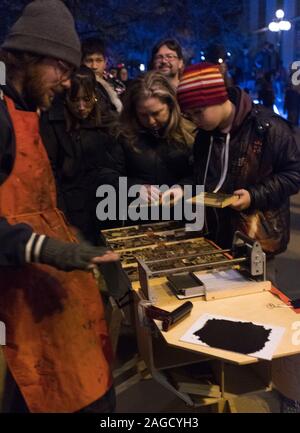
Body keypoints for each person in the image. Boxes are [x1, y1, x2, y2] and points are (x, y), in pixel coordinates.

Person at [0, 0, 130, 413]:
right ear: (33, 55)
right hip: (17, 298)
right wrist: (47, 248)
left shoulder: (24, 108)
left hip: (43, 289)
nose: (68, 83)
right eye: (62, 68)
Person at [177, 63, 300, 412]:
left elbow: (295, 173)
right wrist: (188, 196)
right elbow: (203, 178)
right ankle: (229, 374)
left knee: (263, 312)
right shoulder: (206, 134)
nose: (195, 119)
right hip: (216, 235)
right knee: (223, 310)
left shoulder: (268, 127)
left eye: (198, 111)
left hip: (259, 235)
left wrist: (255, 195)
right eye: (190, 113)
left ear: (218, 99)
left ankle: (276, 386)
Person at [102, 71, 195, 224]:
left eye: (156, 113)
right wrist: (135, 188)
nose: (151, 121)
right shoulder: (122, 135)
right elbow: (106, 175)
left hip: (180, 218)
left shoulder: (190, 133)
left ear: (170, 106)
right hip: (137, 219)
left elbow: (201, 174)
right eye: (143, 115)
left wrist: (183, 188)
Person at [40, 65, 118, 243]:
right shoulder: (53, 122)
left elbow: (116, 164)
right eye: (75, 100)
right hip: (72, 208)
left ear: (95, 96)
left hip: (106, 203)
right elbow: (51, 173)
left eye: (87, 99)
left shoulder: (108, 120)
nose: (81, 107)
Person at [81, 38, 123, 112]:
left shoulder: (118, 86)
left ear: (105, 62)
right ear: (82, 62)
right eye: (89, 61)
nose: (94, 66)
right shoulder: (76, 85)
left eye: (98, 60)